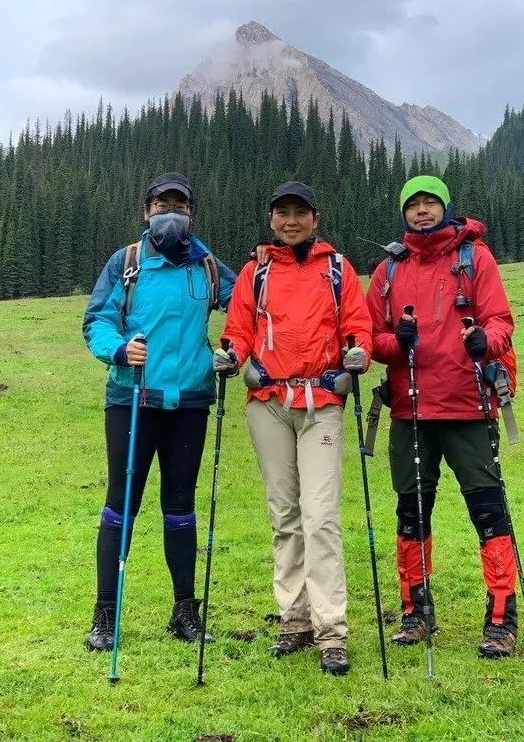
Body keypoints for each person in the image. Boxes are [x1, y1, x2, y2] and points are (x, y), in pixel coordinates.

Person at [214, 181, 372, 676]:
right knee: (284, 513)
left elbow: (359, 326)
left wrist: (359, 352)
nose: (291, 221)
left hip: (322, 401)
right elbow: (239, 330)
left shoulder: (337, 269)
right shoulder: (255, 272)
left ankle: (331, 630)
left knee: (320, 515)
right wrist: (231, 354)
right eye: (282, 213)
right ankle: (295, 618)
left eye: (300, 213)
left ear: (315, 219)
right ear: (271, 219)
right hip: (269, 403)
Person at [82, 173, 236, 652]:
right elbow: (96, 322)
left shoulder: (207, 266)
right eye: (161, 204)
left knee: (180, 509)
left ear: (192, 212)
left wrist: (235, 350)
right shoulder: (125, 262)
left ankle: (184, 612)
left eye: (180, 204)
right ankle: (105, 615)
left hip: (189, 402)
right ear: (146, 210)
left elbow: (248, 305)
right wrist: (120, 349)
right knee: (120, 506)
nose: (170, 211)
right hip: (132, 401)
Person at [365, 175, 517, 658]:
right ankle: (414, 612)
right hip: (410, 410)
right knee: (411, 513)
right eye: (414, 205)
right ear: (403, 213)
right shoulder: (388, 270)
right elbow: (371, 339)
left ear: (446, 207)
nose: (423, 211)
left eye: (431, 203)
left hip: (469, 406)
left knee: (488, 512)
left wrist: (484, 342)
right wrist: (398, 343)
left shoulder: (475, 258)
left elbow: (501, 322)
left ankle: (500, 618)